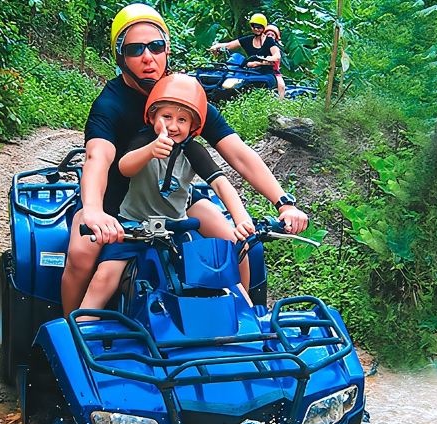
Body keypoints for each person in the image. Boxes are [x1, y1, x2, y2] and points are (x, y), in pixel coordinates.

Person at [61, 3, 307, 317]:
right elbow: (98, 157)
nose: (148, 57)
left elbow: (238, 153)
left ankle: (244, 324)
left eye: (155, 46)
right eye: (135, 49)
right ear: (120, 56)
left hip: (173, 200)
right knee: (81, 255)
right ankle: (70, 330)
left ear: (166, 48)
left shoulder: (183, 96)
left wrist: (283, 202)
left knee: (238, 246)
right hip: (115, 204)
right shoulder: (110, 104)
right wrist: (94, 211)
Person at [78, 74, 252, 313]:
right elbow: (124, 167)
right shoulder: (144, 139)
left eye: (182, 119)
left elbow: (221, 184)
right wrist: (150, 150)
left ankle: (247, 320)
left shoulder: (193, 150)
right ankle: (82, 325)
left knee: (221, 275)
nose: (173, 126)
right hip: (133, 226)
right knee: (104, 277)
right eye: (166, 117)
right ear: (152, 117)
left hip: (176, 228)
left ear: (193, 126)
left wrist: (241, 219)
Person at [208, 13, 282, 96]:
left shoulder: (269, 41)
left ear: (264, 27)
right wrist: (216, 46)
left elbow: (277, 56)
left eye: (259, 27)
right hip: (250, 72)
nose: (256, 29)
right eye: (254, 26)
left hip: (265, 73)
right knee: (229, 80)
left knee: (249, 83)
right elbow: (229, 45)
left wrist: (262, 61)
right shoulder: (248, 39)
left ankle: (279, 101)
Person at [264, 24, 286, 99]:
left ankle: (281, 100)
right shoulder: (259, 45)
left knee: (281, 86)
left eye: (272, 35)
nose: (270, 36)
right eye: (268, 34)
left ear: (276, 37)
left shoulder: (276, 48)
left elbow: (276, 58)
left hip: (273, 71)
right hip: (259, 69)